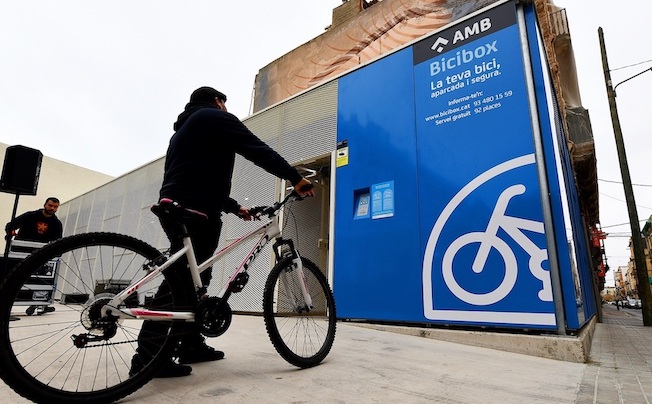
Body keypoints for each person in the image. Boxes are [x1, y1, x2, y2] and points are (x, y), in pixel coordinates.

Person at [132, 86, 314, 378]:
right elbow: (256, 149)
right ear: (219, 101)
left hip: (179, 203)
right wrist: (294, 177)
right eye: (225, 104)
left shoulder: (184, 130)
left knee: (197, 277)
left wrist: (233, 207)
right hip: (196, 210)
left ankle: (190, 343)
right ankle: (148, 356)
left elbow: (195, 172)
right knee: (181, 281)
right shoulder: (215, 117)